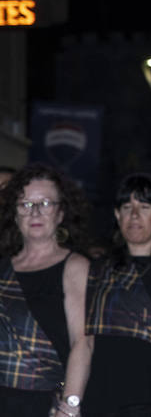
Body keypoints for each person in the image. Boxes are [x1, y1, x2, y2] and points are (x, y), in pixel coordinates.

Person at [85, 172, 151, 417]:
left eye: (144, 207)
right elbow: (85, 339)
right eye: (126, 207)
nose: (134, 215)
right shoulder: (97, 271)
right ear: (116, 215)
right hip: (101, 396)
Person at [0, 163, 92, 417]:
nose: (35, 213)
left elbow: (82, 342)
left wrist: (70, 407)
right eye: (26, 205)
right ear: (15, 214)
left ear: (61, 213)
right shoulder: (2, 268)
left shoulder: (75, 266)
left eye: (46, 203)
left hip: (46, 404)